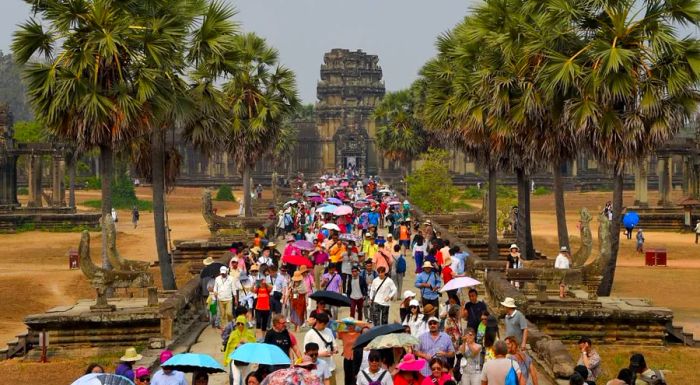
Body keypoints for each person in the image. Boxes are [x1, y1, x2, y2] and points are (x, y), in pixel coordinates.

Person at [304, 312, 337, 380]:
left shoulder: (329, 331)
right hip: (316, 369)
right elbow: (305, 353)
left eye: (326, 324)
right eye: (323, 325)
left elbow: (334, 344)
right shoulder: (309, 334)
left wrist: (335, 349)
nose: (324, 326)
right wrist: (320, 354)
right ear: (317, 322)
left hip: (330, 367)